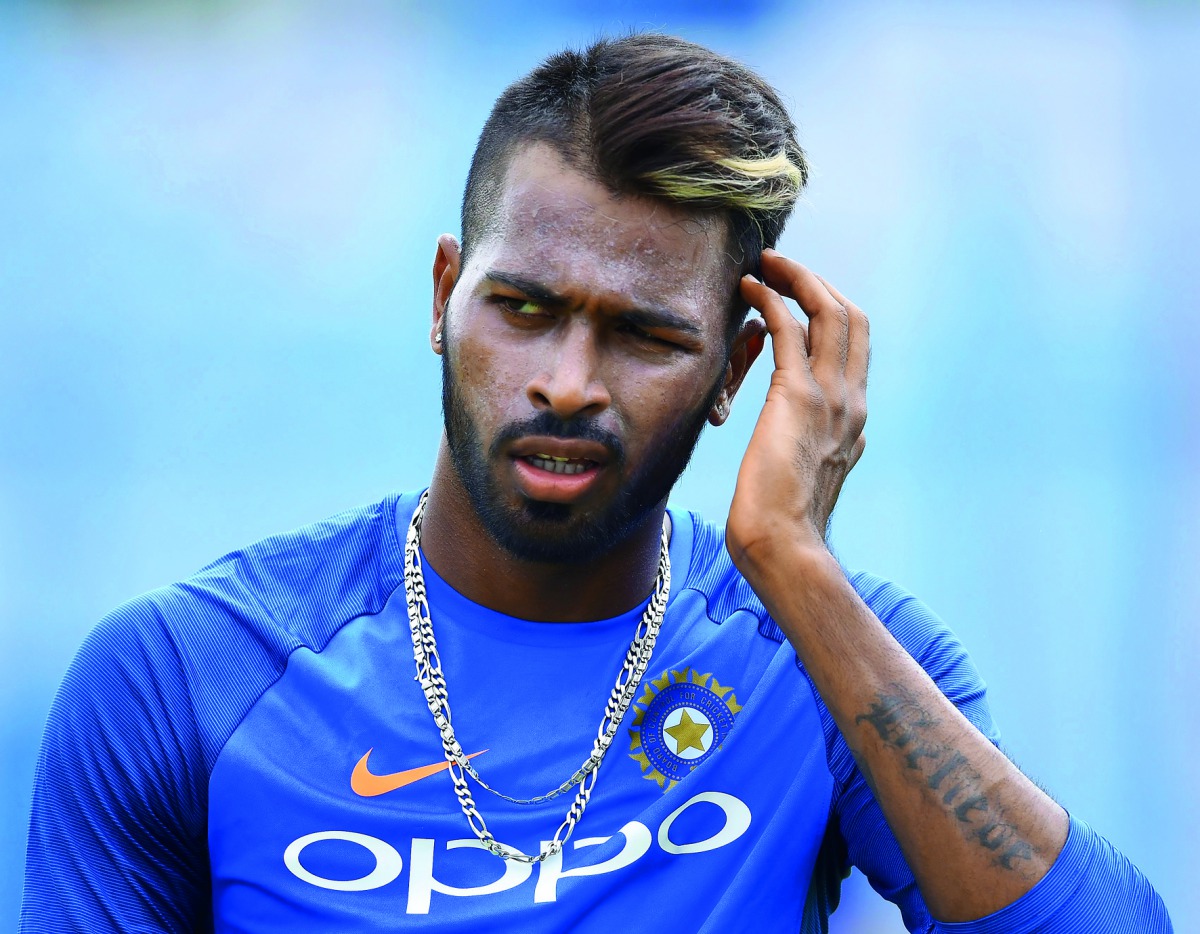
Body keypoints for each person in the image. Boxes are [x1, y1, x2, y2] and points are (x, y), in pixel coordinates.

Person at [21, 33, 1171, 934]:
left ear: (733, 369)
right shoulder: (185, 679)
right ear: (442, 299)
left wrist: (794, 566)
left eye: (644, 337)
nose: (567, 383)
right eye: (523, 309)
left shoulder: (823, 660)